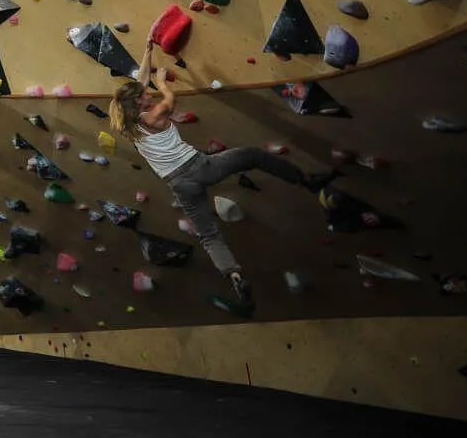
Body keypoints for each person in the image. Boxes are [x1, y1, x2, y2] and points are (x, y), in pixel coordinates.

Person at [110, 41, 335, 310]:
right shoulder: (153, 116)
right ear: (138, 101)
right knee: (252, 155)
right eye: (144, 94)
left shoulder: (129, 126)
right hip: (200, 167)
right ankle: (306, 181)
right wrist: (163, 84)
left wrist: (147, 50)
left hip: (179, 184)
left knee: (209, 235)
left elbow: (140, 80)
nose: (148, 93)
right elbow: (169, 102)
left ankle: (234, 276)